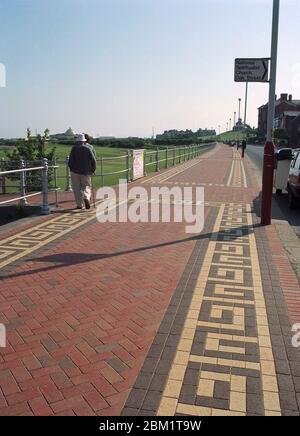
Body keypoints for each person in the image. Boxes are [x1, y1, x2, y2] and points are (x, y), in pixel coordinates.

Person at [68, 133, 96, 210]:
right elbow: (93, 161)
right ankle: (86, 197)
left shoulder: (74, 148)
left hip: (75, 171)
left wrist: (71, 169)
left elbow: (70, 161)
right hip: (86, 172)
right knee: (87, 187)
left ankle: (79, 205)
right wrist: (93, 170)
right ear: (84, 141)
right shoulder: (88, 149)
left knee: (77, 188)